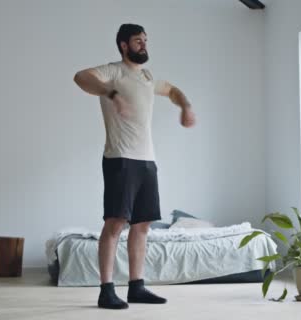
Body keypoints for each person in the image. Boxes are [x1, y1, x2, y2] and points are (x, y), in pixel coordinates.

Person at [73, 23, 196, 310]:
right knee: (115, 223)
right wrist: (112, 94)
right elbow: (80, 77)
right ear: (123, 45)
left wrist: (185, 105)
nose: (143, 45)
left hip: (146, 161)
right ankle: (106, 290)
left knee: (142, 225)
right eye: (137, 41)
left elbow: (173, 89)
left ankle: (136, 287)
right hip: (120, 159)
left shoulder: (147, 76)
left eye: (145, 40)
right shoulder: (113, 71)